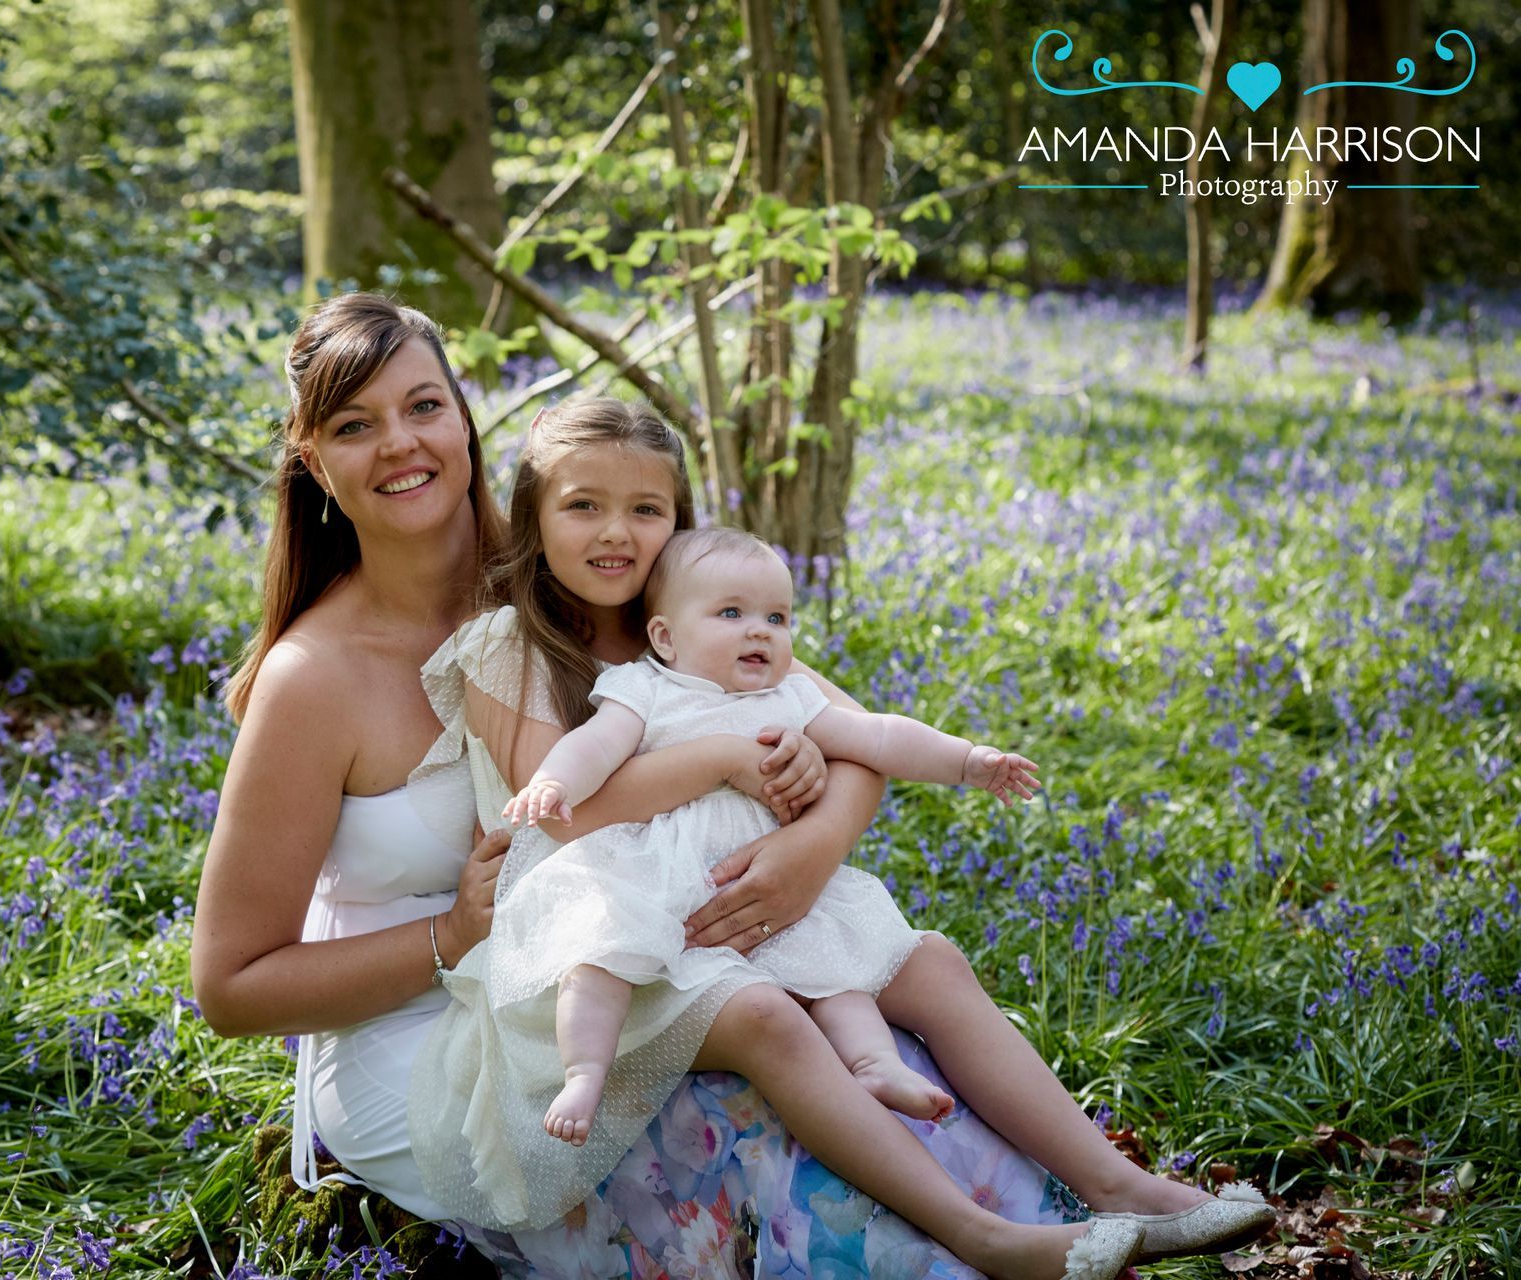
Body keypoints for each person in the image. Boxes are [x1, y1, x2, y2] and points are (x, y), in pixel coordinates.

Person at [187, 296, 1264, 1279]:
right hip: (428, 1027)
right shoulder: (317, 677)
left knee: (894, 1003)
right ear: (313, 461)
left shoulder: (585, 555)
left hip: (652, 941)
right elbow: (231, 988)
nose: (401, 443)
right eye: (356, 424)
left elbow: (830, 726)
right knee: (753, 1091)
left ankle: (1106, 1200)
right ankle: (978, 1248)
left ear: (466, 423)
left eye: (424, 406)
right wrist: (450, 935)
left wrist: (809, 851)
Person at [495, 525, 1041, 1147]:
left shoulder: (791, 699)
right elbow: (594, 746)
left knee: (837, 969)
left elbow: (880, 736)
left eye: (777, 618)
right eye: (732, 613)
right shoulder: (644, 689)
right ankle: (584, 1071)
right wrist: (553, 782)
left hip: (766, 887)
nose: (760, 631)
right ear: (665, 637)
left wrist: (967, 762)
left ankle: (875, 1064)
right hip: (657, 879)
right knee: (600, 957)